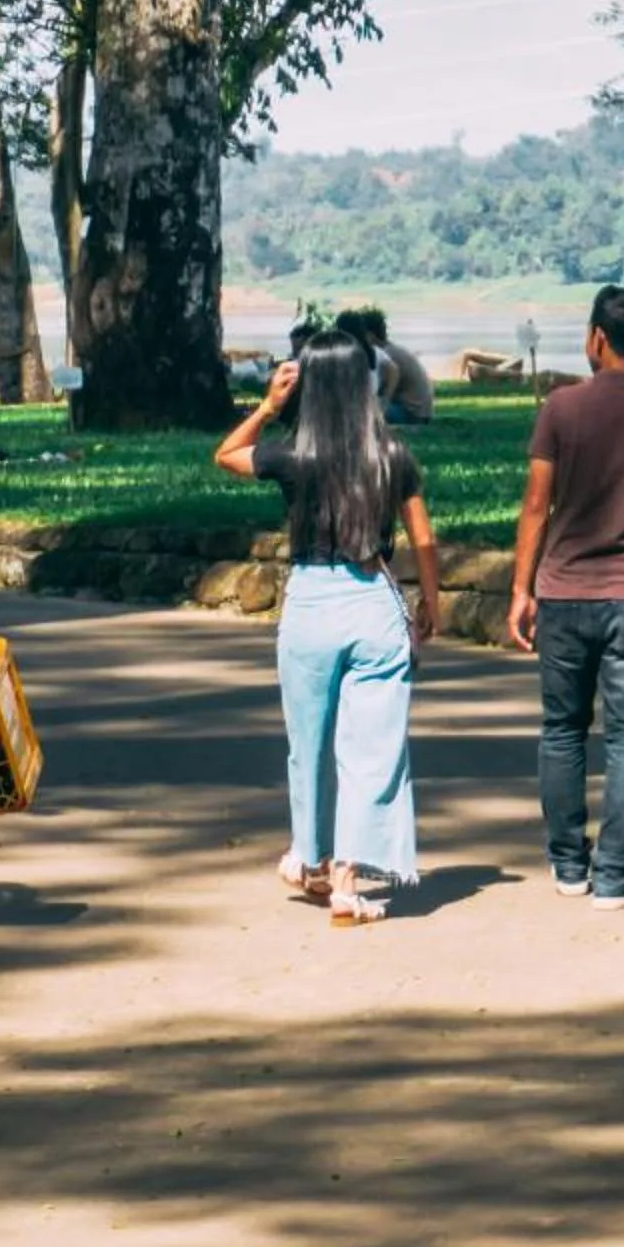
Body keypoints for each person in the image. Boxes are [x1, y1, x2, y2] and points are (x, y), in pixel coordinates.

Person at [215, 328, 443, 924]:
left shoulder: (295, 454)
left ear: (307, 385)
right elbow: (423, 536)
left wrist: (266, 406)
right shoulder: (392, 455)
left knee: (307, 744)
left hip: (311, 605)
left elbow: (226, 455)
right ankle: (347, 879)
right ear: (368, 384)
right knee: (372, 751)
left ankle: (309, 858)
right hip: (373, 603)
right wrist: (431, 602)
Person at [506, 284, 624, 908]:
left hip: (563, 590)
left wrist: (520, 589)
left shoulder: (561, 408)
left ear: (596, 339)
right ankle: (614, 876)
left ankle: (568, 865)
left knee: (562, 731)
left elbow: (538, 504)